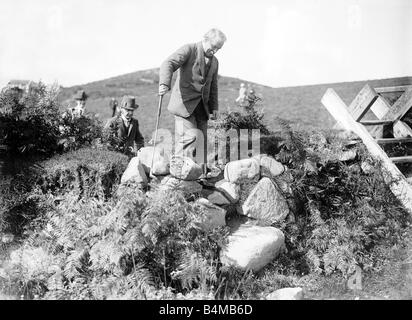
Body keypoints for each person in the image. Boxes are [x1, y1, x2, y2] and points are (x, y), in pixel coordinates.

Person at [158, 28, 227, 172]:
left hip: (202, 109)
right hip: (184, 106)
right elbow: (168, 63)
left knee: (202, 144)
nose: (214, 51)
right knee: (190, 138)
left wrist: (214, 110)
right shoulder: (189, 49)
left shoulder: (215, 62)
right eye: (213, 47)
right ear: (205, 39)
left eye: (218, 49)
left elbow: (213, 87)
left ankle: (200, 177)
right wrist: (165, 83)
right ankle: (178, 173)